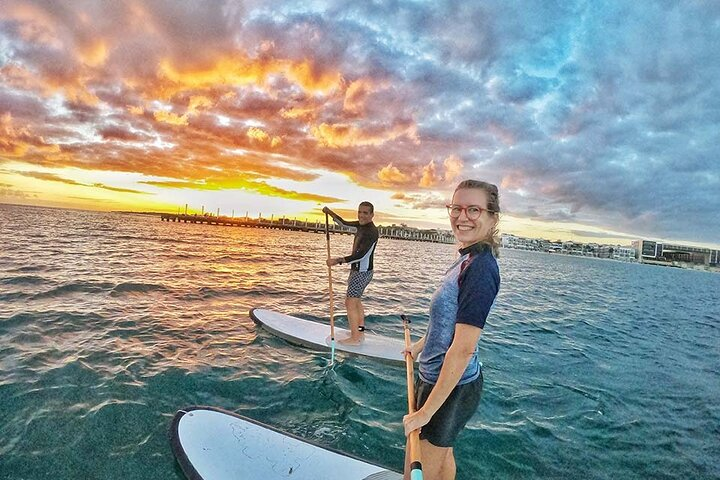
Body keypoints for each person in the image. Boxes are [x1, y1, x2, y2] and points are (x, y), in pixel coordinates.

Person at [402, 180, 501, 480]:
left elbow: (463, 348)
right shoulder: (465, 258)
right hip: (441, 380)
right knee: (442, 459)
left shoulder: (481, 269)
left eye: (473, 209)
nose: (462, 216)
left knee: (415, 472)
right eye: (456, 208)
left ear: (492, 217)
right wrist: (420, 345)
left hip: (451, 388)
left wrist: (426, 412)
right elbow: (445, 322)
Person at [323, 202, 379, 345]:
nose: (361, 215)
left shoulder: (371, 232)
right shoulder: (361, 225)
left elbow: (360, 255)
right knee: (357, 302)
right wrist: (330, 213)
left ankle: (355, 338)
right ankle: (359, 332)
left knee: (350, 303)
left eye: (365, 213)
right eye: (360, 212)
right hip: (361, 271)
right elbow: (344, 224)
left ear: (372, 215)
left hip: (361, 273)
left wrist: (338, 260)